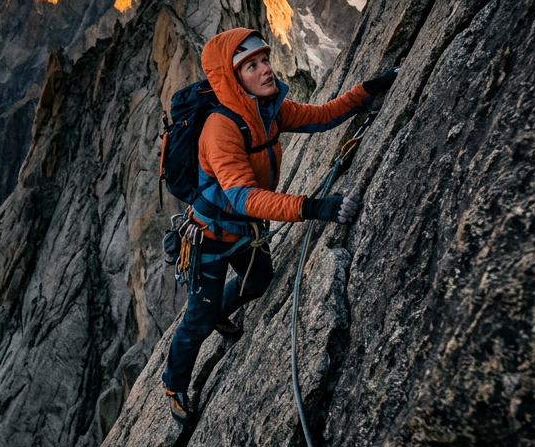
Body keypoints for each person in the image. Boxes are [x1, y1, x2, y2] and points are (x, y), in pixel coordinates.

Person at [162, 27, 396, 424]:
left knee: (257, 283)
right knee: (196, 320)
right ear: (233, 79)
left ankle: (221, 309)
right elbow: (242, 196)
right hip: (210, 238)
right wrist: (313, 208)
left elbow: (321, 117)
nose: (265, 70)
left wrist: (365, 92)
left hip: (247, 230)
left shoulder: (267, 109)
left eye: (264, 60)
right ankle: (174, 384)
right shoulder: (221, 128)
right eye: (251, 66)